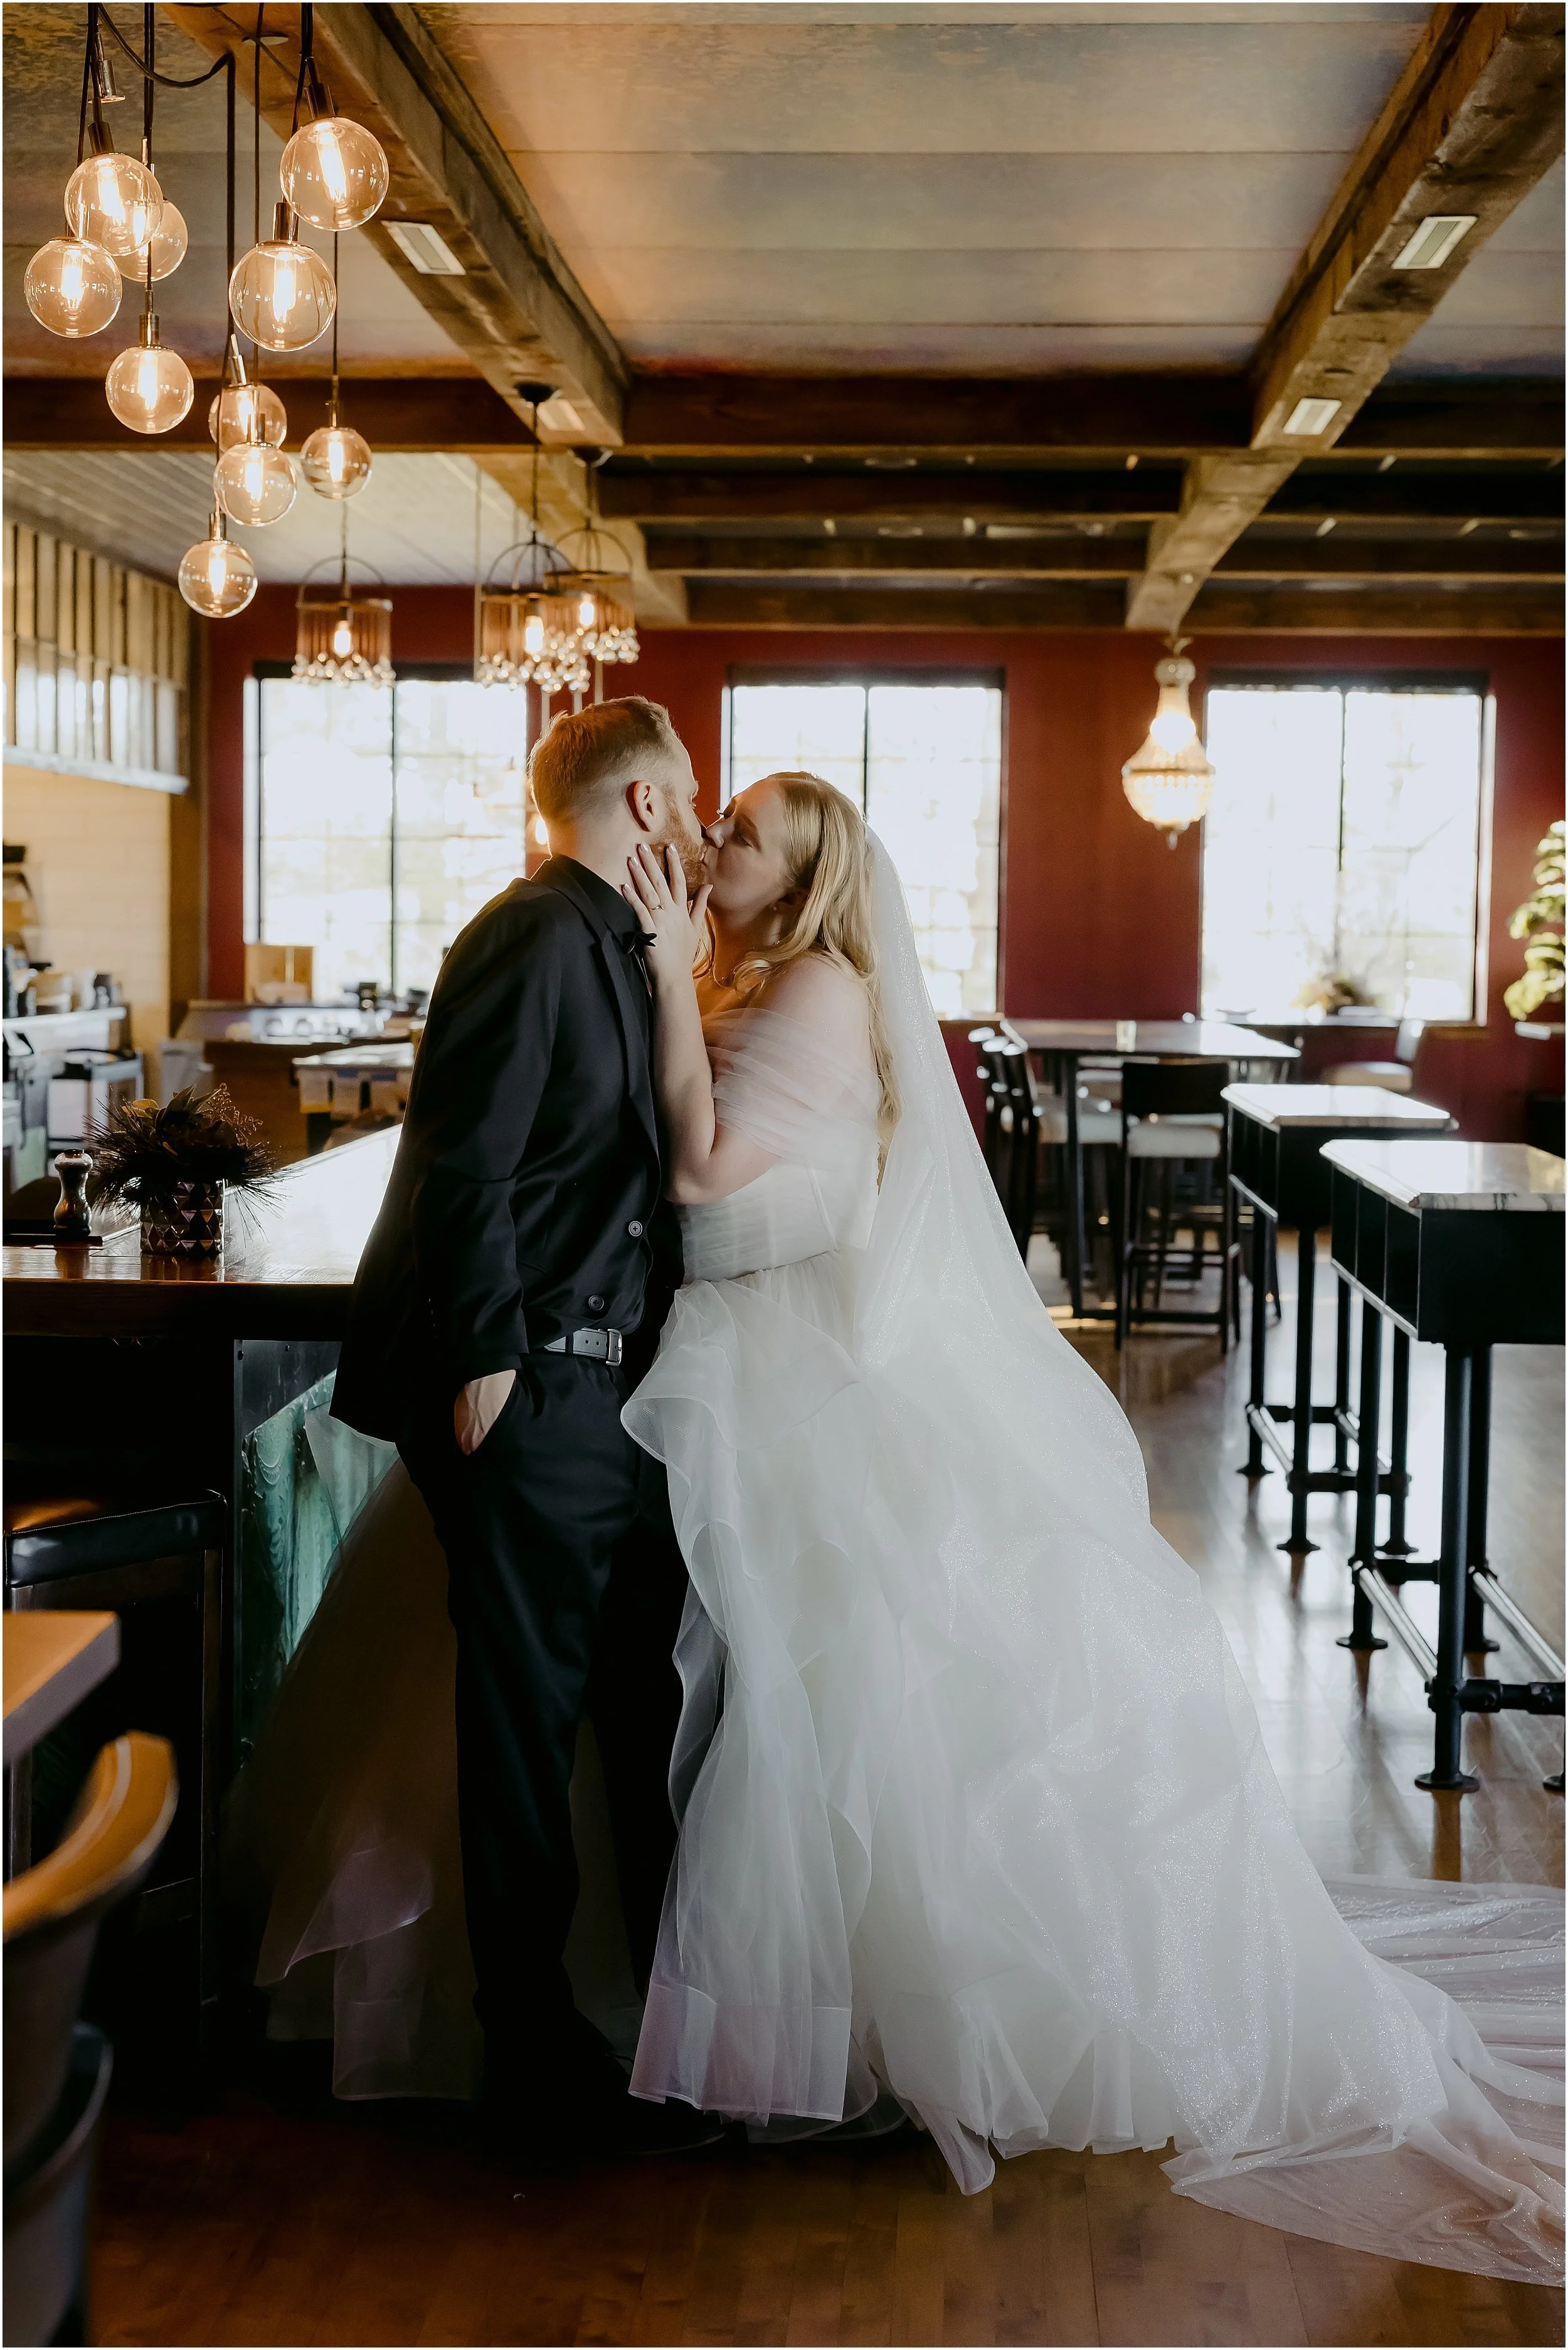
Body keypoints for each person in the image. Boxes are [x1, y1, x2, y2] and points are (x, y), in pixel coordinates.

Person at [237, 762, 1561, 2280]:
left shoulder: (801, 990)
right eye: (708, 816)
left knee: (793, 1725)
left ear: (800, 882)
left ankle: (781, 2031)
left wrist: (670, 987)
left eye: (742, 836)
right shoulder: (697, 961)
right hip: (640, 1386)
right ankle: (612, 2015)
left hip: (758, 1388)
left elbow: (710, 1195)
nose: (709, 842)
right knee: (652, 1713)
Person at [326, 695, 719, 2157]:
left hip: (616, 1399)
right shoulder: (532, 933)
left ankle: (657, 2036)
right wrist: (488, 1356)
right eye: (685, 796)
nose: (701, 820)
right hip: (538, 1393)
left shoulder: (622, 947)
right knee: (523, 1731)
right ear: (638, 810)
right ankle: (530, 2055)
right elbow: (462, 1162)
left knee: (640, 1710)